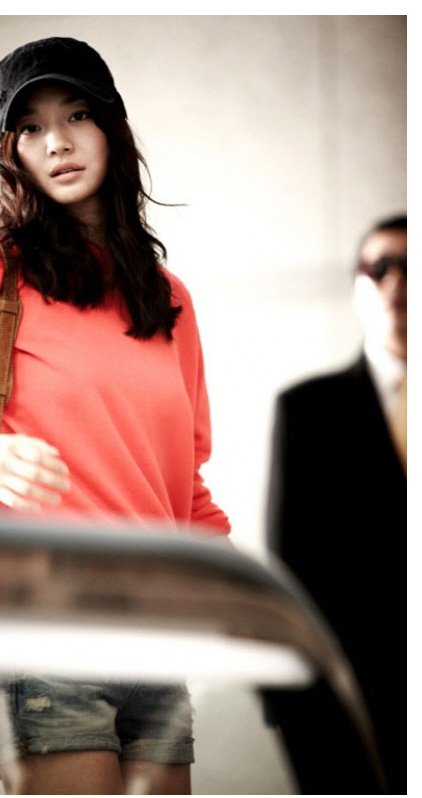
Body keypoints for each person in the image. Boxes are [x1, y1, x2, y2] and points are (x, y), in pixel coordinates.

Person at [0, 36, 231, 795]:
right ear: (11, 152)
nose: (58, 142)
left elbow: (184, 485)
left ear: (113, 128)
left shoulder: (169, 298)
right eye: (32, 127)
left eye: (77, 115)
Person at [263, 215, 406, 794]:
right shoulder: (309, 410)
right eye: (379, 268)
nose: (396, 283)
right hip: (348, 701)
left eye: (413, 267)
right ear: (357, 288)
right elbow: (291, 567)